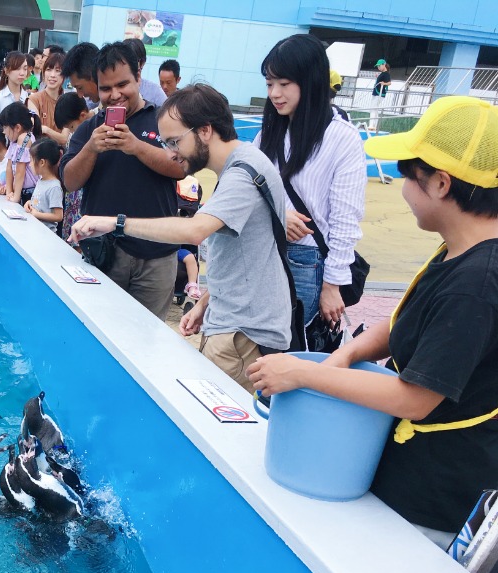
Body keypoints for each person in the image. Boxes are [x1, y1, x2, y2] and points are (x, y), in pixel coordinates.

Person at [248, 95, 498, 545]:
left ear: (441, 184)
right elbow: (408, 322)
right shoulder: (458, 250)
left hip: (431, 498)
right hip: (407, 466)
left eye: (409, 177)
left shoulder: (476, 284)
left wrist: (303, 373)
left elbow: (415, 399)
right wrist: (347, 353)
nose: (402, 190)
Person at [70, 83, 293, 389]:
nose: (171, 154)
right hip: (236, 323)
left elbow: (193, 230)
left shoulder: (242, 174)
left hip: (243, 334)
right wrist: (206, 303)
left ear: (204, 131)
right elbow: (250, 257)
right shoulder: (244, 164)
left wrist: (115, 223)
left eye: (174, 142)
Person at [60, 42, 186, 321]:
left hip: (156, 255)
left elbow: (182, 168)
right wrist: (91, 148)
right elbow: (70, 181)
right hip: (104, 255)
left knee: (149, 341)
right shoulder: (90, 129)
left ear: (138, 77)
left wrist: (136, 146)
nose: (115, 94)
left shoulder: (163, 120)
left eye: (123, 84)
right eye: (106, 88)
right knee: (101, 333)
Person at [256, 34, 366, 328]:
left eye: (284, 83)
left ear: (311, 80)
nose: (275, 93)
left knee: (293, 354)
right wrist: (278, 213)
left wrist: (333, 285)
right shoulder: (268, 134)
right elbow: (244, 190)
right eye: (269, 84)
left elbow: (346, 219)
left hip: (308, 260)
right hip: (263, 252)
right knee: (256, 350)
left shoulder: (342, 138)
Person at [54, 93, 93, 245]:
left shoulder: (94, 131)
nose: (70, 131)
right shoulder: (76, 133)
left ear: (83, 115)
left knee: (83, 237)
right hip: (73, 194)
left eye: (71, 126)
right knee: (71, 238)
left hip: (85, 195)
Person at [0, 102, 42, 205]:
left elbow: (20, 171)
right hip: (19, 190)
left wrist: (16, 197)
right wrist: (9, 192)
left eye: (5, 127)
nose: (3, 132)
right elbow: (9, 168)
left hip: (30, 193)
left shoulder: (25, 138)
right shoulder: (13, 142)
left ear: (17, 127)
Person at [27, 53, 69, 145]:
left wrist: (46, 130)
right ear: (43, 72)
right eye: (49, 70)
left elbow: (64, 139)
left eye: (58, 71)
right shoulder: (34, 99)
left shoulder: (68, 103)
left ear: (64, 75)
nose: (52, 75)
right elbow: (36, 131)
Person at [25, 138, 64, 231]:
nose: (29, 164)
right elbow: (39, 203)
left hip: (46, 235)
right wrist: (29, 203)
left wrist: (37, 214)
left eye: (31, 160)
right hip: (36, 231)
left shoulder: (54, 187)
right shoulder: (41, 180)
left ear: (42, 162)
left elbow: (58, 216)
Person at [0, 52, 29, 122]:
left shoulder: (29, 97)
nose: (22, 73)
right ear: (6, 71)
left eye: (25, 69)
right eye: (17, 68)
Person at [122, 38, 164, 107]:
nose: (127, 66)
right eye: (123, 62)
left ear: (142, 63)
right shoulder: (111, 90)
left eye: (132, 62)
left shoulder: (155, 92)